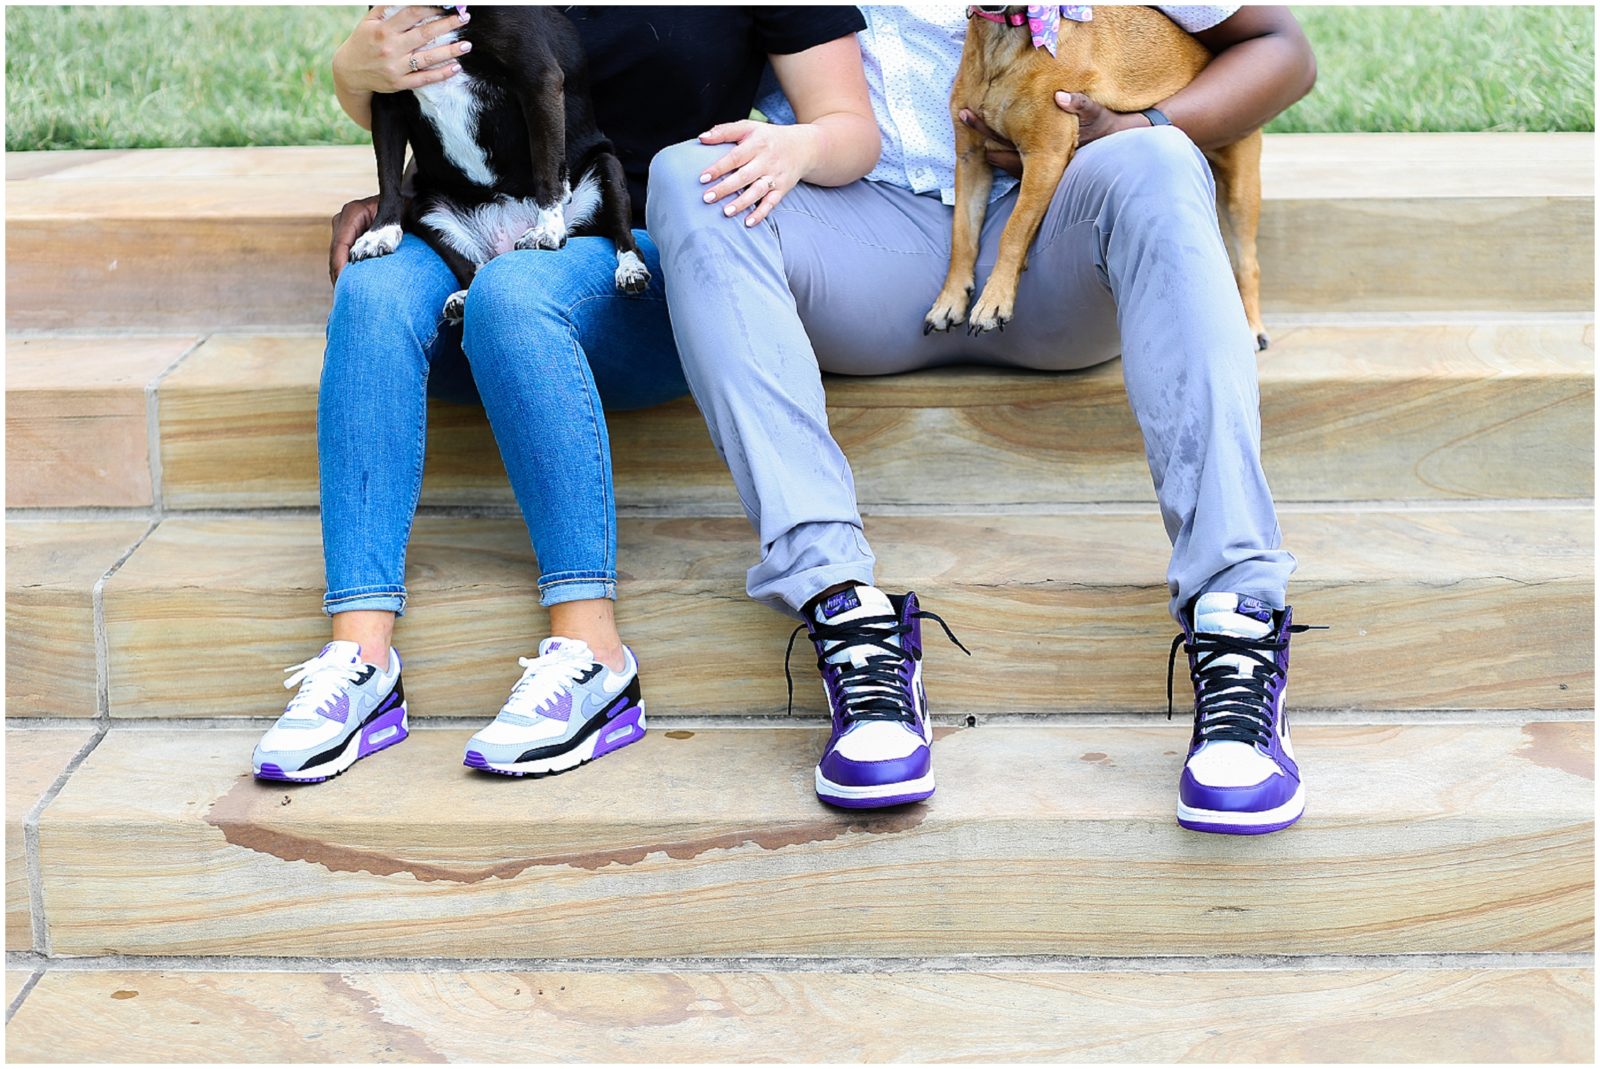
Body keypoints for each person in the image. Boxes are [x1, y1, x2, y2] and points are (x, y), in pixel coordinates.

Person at [645, 5, 1318, 831]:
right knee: (690, 173)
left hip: (1065, 250)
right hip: (868, 250)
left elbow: (1282, 51)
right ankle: (844, 613)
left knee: (1159, 160)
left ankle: (1237, 621)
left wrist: (1148, 120)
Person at [252, 5, 879, 782]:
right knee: (374, 293)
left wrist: (799, 145)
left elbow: (851, 129)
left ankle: (593, 657)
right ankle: (359, 658)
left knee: (517, 293)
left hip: (646, 255)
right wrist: (355, 70)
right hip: (470, 221)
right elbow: (405, 71)